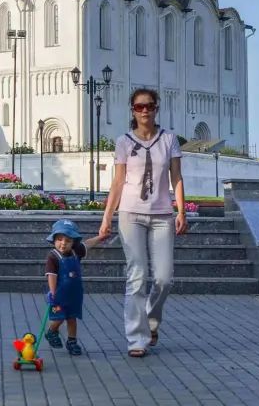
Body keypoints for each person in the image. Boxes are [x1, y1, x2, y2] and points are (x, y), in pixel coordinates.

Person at [99, 88, 188, 357]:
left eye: (149, 106)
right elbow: (117, 182)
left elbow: (176, 177)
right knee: (136, 277)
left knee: (163, 278)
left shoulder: (169, 140)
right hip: (130, 213)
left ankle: (151, 321)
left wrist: (181, 211)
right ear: (132, 110)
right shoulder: (124, 142)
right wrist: (106, 218)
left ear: (156, 108)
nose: (144, 111)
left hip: (162, 214)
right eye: (139, 107)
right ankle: (136, 339)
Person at [43, 219, 105, 356]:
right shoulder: (53, 257)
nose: (63, 243)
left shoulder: (76, 252)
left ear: (73, 242)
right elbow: (51, 275)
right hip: (58, 296)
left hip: (74, 294)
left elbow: (88, 244)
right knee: (59, 317)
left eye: (68, 241)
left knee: (72, 318)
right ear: (54, 239)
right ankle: (52, 331)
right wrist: (52, 293)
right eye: (59, 239)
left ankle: (72, 341)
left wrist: (100, 237)